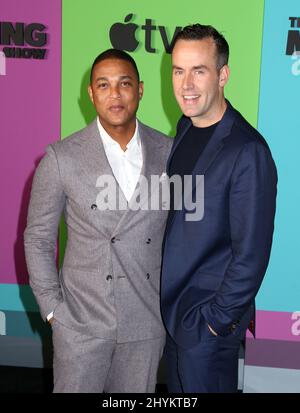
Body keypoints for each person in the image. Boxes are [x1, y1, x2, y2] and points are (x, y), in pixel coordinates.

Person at [24, 49, 172, 393]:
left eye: (124, 83)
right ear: (91, 93)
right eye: (103, 85)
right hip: (80, 323)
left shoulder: (169, 152)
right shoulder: (62, 157)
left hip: (145, 322)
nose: (115, 94)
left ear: (140, 89)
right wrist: (52, 311)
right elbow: (38, 239)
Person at [160, 24, 277, 393]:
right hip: (174, 317)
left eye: (199, 71)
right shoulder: (185, 127)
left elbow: (251, 256)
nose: (186, 84)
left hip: (206, 329)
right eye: (179, 70)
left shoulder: (248, 150)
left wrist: (213, 323)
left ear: (223, 75)